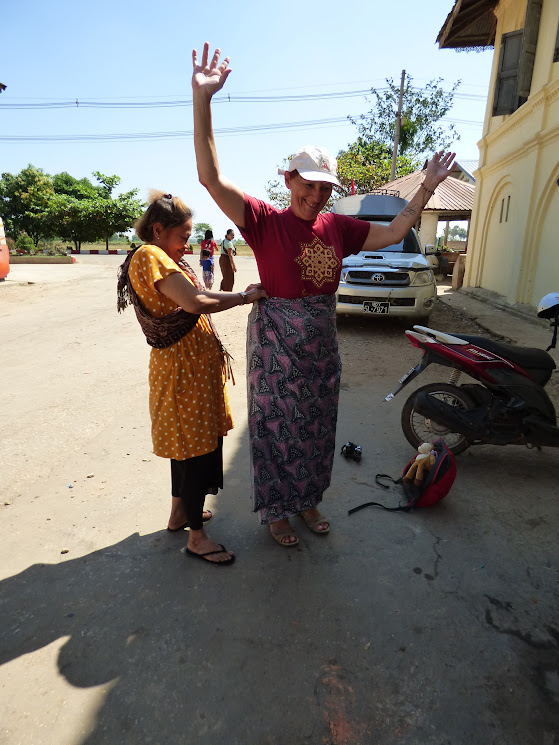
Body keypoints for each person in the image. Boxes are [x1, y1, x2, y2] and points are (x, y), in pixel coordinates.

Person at [192, 42, 455, 547]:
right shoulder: (264, 222)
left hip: (320, 347)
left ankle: (308, 500)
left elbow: (397, 228)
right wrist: (204, 100)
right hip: (274, 349)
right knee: (273, 428)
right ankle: (276, 511)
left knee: (315, 427)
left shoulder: (338, 226)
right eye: (306, 185)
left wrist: (427, 186)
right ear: (288, 179)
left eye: (323, 189)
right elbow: (210, 177)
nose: (315, 196)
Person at [117, 190, 267, 565]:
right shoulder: (149, 254)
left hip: (189, 370)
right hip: (182, 373)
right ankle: (197, 540)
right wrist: (245, 298)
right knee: (196, 449)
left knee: (188, 446)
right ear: (157, 229)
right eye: (183, 237)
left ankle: (179, 513)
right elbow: (196, 302)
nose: (188, 245)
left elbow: (197, 296)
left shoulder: (161, 257)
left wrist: (231, 288)